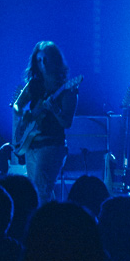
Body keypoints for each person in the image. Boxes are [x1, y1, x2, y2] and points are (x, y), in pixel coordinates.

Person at [11, 41, 78, 202]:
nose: (43, 64)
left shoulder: (67, 90)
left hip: (51, 146)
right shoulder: (34, 85)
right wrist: (23, 115)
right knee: (38, 192)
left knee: (41, 192)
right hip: (31, 145)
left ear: (55, 61)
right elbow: (17, 105)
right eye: (39, 60)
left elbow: (67, 123)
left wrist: (55, 109)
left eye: (46, 59)